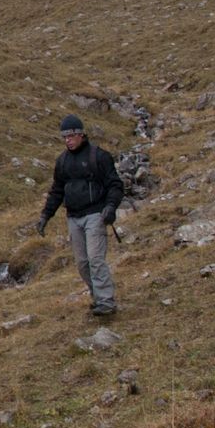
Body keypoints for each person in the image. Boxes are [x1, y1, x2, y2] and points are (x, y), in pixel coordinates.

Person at [34, 115, 126, 317]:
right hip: (73, 218)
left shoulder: (99, 156)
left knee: (95, 259)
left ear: (81, 134)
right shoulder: (62, 161)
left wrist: (110, 207)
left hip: (95, 214)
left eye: (72, 135)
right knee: (82, 263)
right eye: (64, 136)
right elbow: (57, 191)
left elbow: (115, 185)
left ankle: (106, 301)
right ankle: (98, 297)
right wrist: (45, 216)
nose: (68, 139)